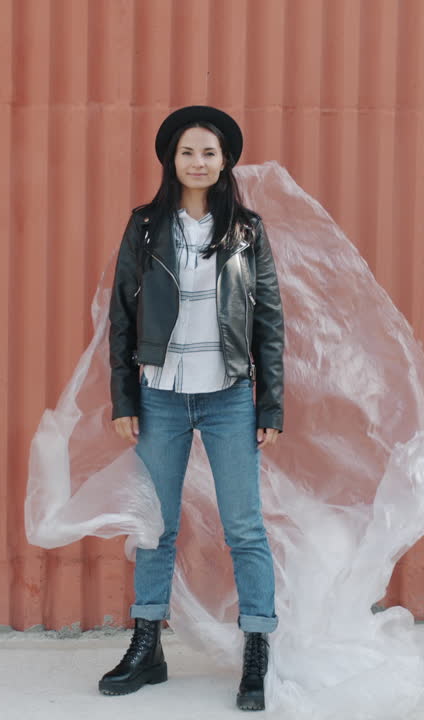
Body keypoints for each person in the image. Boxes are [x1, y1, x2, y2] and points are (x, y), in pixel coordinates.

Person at [100, 105, 285, 712]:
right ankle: (147, 646)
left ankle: (257, 649)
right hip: (161, 396)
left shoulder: (247, 231)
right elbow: (122, 317)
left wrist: (270, 403)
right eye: (187, 152)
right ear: (171, 161)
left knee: (245, 528)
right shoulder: (145, 226)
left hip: (229, 396)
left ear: (225, 161)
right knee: (155, 526)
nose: (198, 162)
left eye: (209, 152)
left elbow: (268, 320)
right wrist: (124, 397)